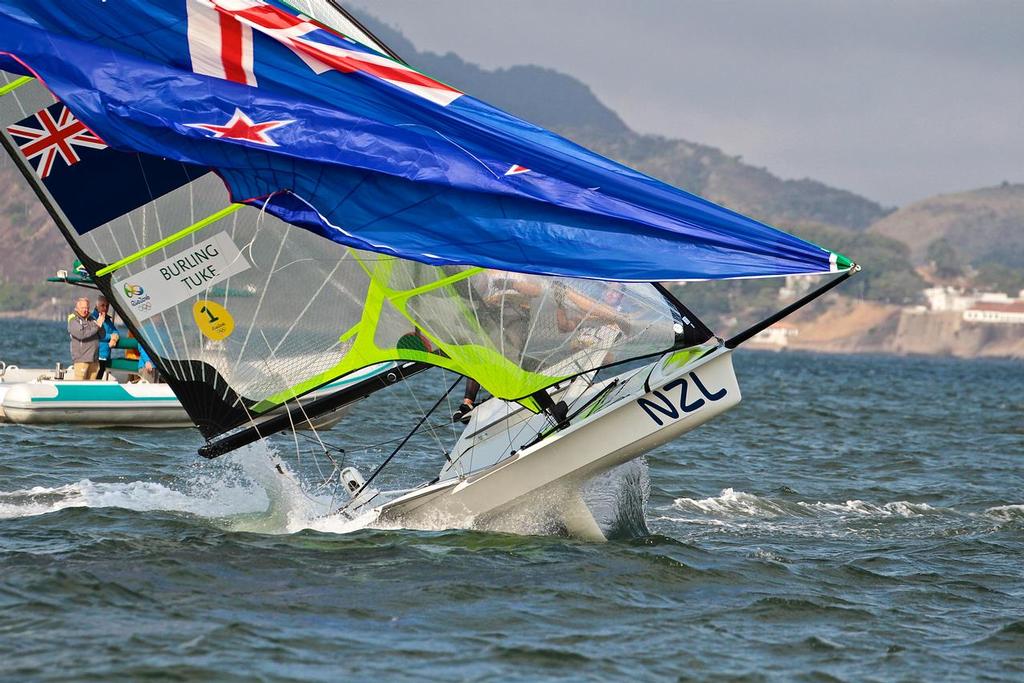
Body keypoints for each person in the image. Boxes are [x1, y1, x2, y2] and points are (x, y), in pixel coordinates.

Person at [67, 296, 102, 380]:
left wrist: (101, 322)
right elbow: (81, 334)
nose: (85, 310)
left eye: (86, 308)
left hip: (94, 359)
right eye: (82, 308)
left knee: (91, 386)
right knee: (80, 385)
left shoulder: (92, 319)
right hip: (82, 359)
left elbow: (102, 335)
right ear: (77, 308)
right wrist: (97, 327)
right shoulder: (73, 320)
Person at [90, 296, 119, 380]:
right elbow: (96, 334)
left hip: (105, 355)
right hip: (96, 355)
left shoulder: (107, 319)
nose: (105, 308)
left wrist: (114, 338)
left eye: (107, 306)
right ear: (97, 306)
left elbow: (115, 331)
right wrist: (111, 336)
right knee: (94, 379)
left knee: (99, 376)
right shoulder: (92, 318)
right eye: (102, 305)